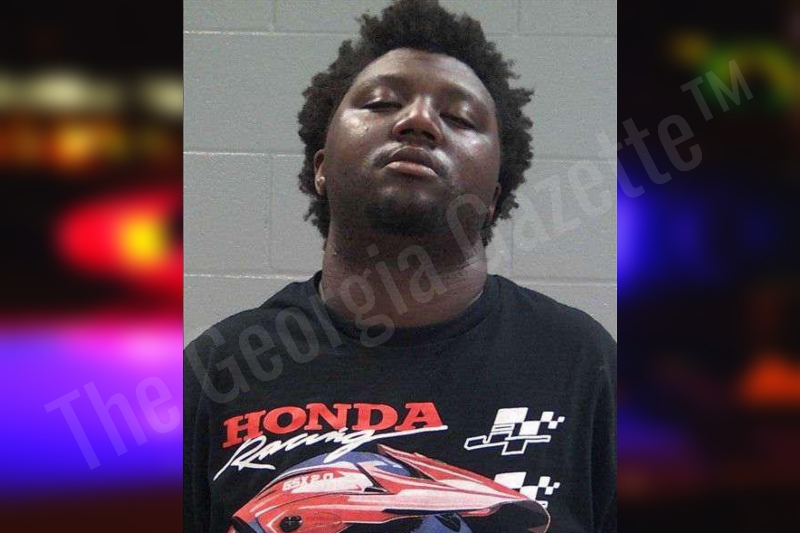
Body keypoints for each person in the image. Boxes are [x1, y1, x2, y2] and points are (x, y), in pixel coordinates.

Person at [184, 1, 616, 532]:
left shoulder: (582, 364)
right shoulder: (220, 369)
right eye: (382, 103)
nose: (418, 121)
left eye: (460, 117)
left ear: (493, 199)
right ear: (321, 167)